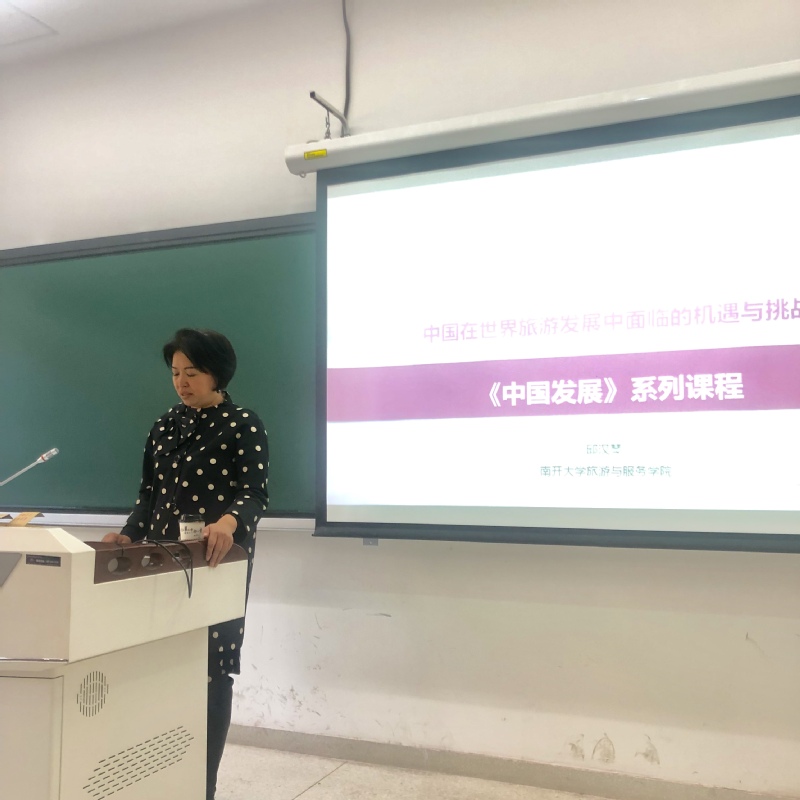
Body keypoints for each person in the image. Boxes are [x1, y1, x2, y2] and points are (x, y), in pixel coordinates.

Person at [103, 328, 269, 800]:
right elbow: (149, 497)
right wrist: (127, 535)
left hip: (216, 565)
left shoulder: (243, 423)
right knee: (160, 667)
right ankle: (160, 781)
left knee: (211, 671)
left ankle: (203, 787)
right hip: (160, 563)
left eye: (192, 373)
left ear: (217, 373)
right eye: (175, 373)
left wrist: (229, 522)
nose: (181, 382)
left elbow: (254, 494)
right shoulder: (163, 426)